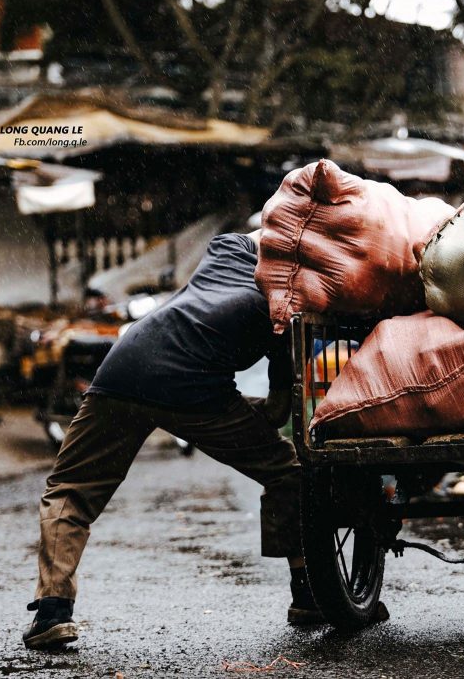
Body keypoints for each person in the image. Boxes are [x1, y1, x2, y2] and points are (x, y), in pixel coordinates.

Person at [23, 230, 321, 651]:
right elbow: (274, 412)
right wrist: (243, 423)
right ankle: (307, 592)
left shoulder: (228, 254)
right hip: (192, 390)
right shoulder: (288, 312)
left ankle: (52, 611)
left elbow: (245, 235)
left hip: (126, 368)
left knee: (71, 490)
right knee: (286, 471)